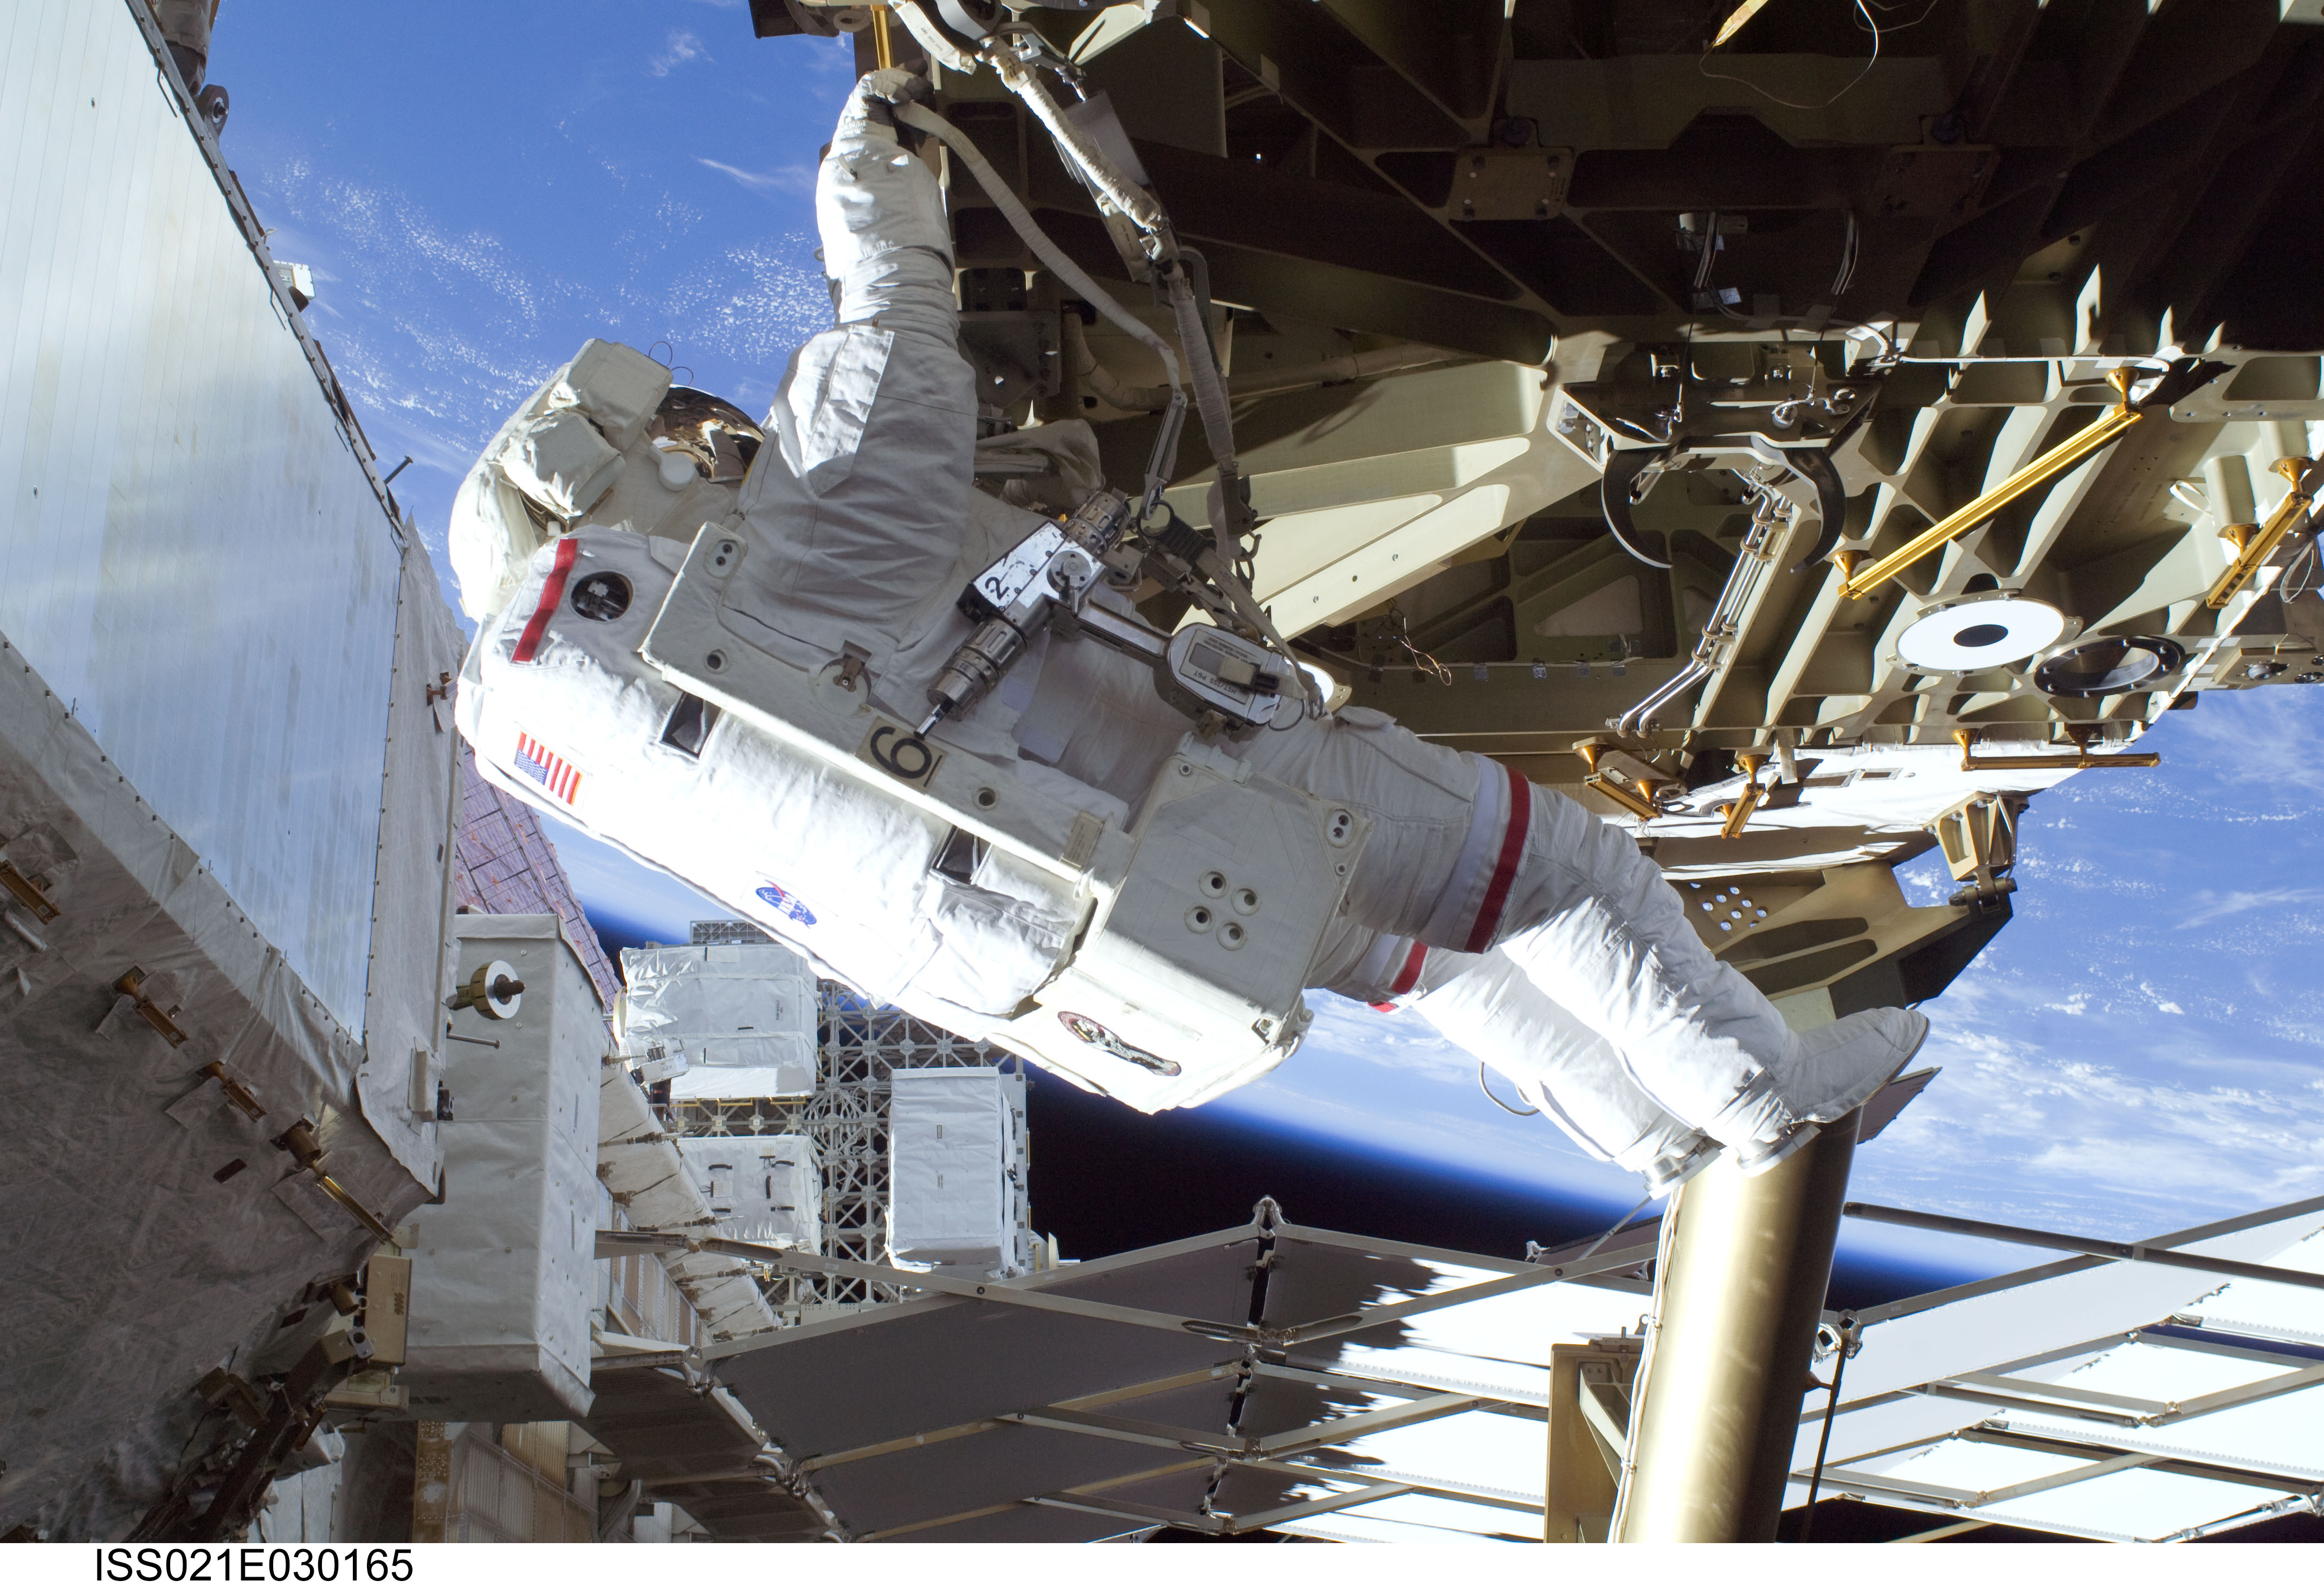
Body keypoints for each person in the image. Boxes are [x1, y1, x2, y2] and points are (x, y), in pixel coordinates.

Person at [452, 69, 1926, 1191]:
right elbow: (893, 344)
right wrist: (869, 173)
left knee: (1446, 963)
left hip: (1129, 922)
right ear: (617, 489)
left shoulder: (685, 729)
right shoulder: (797, 562)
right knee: (1567, 875)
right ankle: (1756, 1099)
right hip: (1206, 792)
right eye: (678, 441)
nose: (709, 442)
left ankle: (1655, 1141)